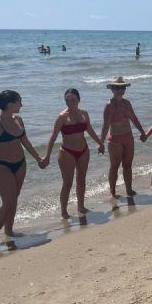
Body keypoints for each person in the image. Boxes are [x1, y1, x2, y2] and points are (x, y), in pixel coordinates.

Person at [0, 90, 45, 250]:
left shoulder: (18, 119)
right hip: (1, 166)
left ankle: (9, 230)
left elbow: (25, 141)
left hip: (20, 164)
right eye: (20, 101)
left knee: (14, 199)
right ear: (10, 104)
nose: (22, 105)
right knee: (8, 201)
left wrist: (38, 158)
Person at [44, 89, 104, 218]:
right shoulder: (62, 117)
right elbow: (53, 136)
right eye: (67, 100)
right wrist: (47, 156)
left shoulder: (84, 113)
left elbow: (90, 130)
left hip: (83, 150)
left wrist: (100, 143)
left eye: (73, 100)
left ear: (78, 99)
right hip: (67, 152)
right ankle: (64, 211)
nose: (70, 103)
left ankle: (81, 206)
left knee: (81, 180)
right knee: (67, 183)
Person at [100, 77, 146, 198]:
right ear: (112, 89)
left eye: (122, 87)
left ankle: (129, 190)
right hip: (115, 140)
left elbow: (134, 119)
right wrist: (101, 143)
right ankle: (113, 192)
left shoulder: (127, 103)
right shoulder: (109, 106)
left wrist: (142, 132)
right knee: (114, 166)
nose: (120, 90)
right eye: (117, 87)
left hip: (128, 138)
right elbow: (105, 126)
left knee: (127, 165)